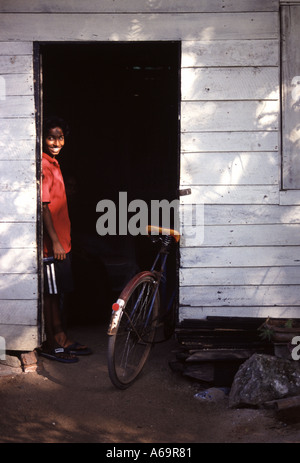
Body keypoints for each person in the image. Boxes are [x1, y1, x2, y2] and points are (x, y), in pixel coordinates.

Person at [39, 116, 91, 363]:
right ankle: (53, 343)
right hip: (53, 245)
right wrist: (55, 242)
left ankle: (61, 338)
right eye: (51, 137)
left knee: (57, 292)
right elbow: (44, 207)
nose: (56, 142)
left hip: (62, 242)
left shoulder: (54, 163)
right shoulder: (43, 165)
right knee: (50, 294)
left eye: (60, 137)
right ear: (42, 137)